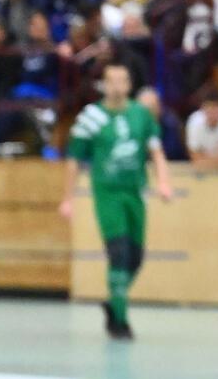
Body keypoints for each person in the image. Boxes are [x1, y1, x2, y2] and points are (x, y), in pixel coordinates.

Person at [61, 62, 173, 340]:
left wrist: (163, 182)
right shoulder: (92, 117)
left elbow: (156, 151)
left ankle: (113, 301)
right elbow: (74, 159)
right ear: (104, 85)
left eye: (123, 81)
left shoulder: (141, 115)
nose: (117, 86)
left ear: (129, 84)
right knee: (119, 252)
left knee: (136, 257)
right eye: (112, 81)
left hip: (135, 193)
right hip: (107, 193)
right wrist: (68, 198)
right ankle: (120, 321)